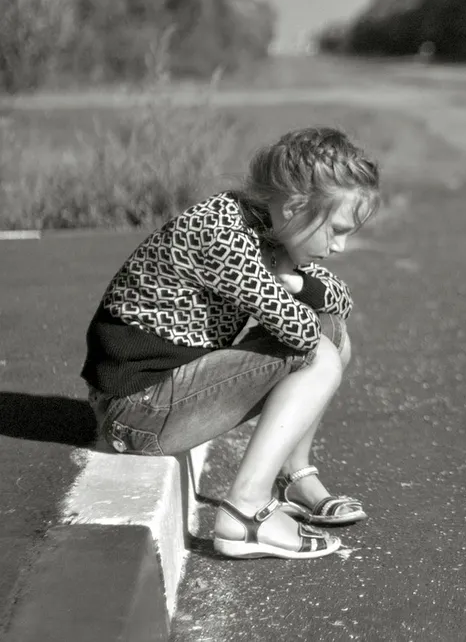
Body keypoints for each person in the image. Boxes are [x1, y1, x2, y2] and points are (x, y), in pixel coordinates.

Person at [80, 126, 381, 560]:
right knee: (320, 354)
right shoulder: (222, 234)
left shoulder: (265, 225)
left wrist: (293, 279)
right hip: (136, 412)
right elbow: (300, 333)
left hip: (158, 396)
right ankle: (246, 514)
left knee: (332, 333)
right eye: (335, 229)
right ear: (296, 207)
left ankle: (294, 477)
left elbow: (340, 302)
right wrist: (291, 283)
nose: (341, 245)